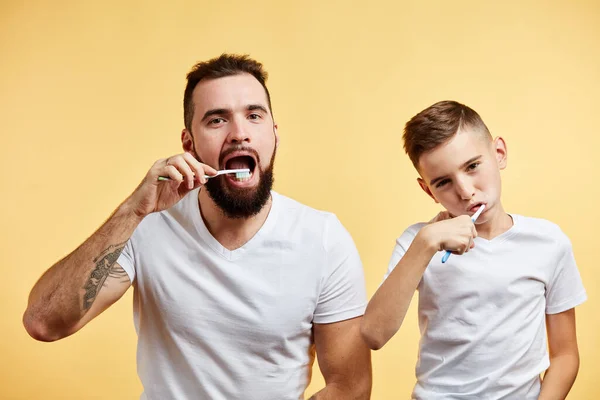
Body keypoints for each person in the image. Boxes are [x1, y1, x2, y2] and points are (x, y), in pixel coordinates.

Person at [23, 53, 372, 400]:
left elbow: (350, 387)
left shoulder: (323, 240)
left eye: (254, 116)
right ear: (189, 145)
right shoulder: (146, 226)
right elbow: (43, 323)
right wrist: (133, 210)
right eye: (217, 120)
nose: (240, 134)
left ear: (274, 134)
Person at [361, 100, 586, 399]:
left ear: (499, 154)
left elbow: (565, 355)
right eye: (443, 182)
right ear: (428, 190)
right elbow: (374, 335)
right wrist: (425, 244)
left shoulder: (548, 242)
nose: (465, 191)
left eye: (472, 166)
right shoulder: (418, 241)